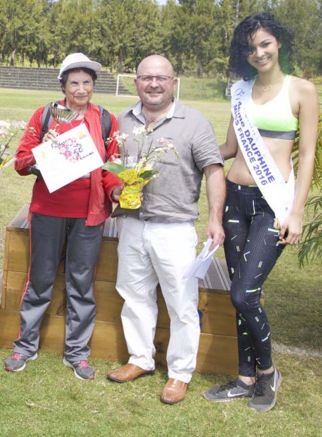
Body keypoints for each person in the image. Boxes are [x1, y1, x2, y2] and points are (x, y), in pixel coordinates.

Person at [204, 12, 318, 412]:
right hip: (235, 197)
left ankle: (267, 374)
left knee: (244, 292)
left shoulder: (301, 90)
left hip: (274, 204)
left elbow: (306, 156)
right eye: (251, 48)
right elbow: (230, 149)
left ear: (279, 43)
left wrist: (298, 212)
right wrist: (187, 154)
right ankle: (244, 377)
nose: (259, 52)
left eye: (265, 43)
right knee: (242, 294)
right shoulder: (240, 91)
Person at [106, 55, 226, 404]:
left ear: (173, 81)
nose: (153, 84)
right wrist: (115, 189)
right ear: (136, 82)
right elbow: (111, 168)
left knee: (182, 304)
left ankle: (179, 374)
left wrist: (215, 218)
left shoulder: (194, 122)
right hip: (131, 224)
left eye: (161, 78)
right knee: (134, 295)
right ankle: (140, 359)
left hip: (175, 228)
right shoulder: (123, 121)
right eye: (146, 78)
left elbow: (214, 171)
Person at [4, 53, 122, 380]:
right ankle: (25, 346)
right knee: (39, 279)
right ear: (63, 85)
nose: (81, 89)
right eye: (74, 83)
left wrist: (116, 191)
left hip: (90, 214)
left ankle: (77, 353)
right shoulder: (46, 115)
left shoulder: (106, 120)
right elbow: (21, 162)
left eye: (87, 83)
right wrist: (42, 148)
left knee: (81, 282)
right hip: (49, 210)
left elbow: (112, 168)